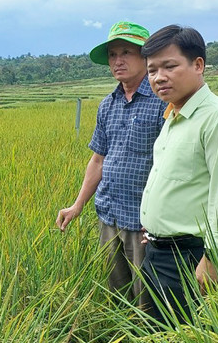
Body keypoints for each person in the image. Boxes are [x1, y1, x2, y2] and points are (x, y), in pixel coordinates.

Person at [138, 25, 218, 327]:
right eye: (152, 70)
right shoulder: (174, 115)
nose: (159, 77)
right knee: (156, 337)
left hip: (191, 259)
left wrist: (213, 260)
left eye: (169, 66)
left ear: (198, 65)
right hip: (157, 251)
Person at [57, 21, 167, 301]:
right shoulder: (108, 104)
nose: (118, 61)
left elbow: (174, 165)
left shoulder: (162, 102)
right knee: (116, 295)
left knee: (148, 298)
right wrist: (77, 204)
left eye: (126, 53)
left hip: (145, 221)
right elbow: (98, 160)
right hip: (109, 214)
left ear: (145, 56)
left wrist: (161, 218)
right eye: (112, 55)